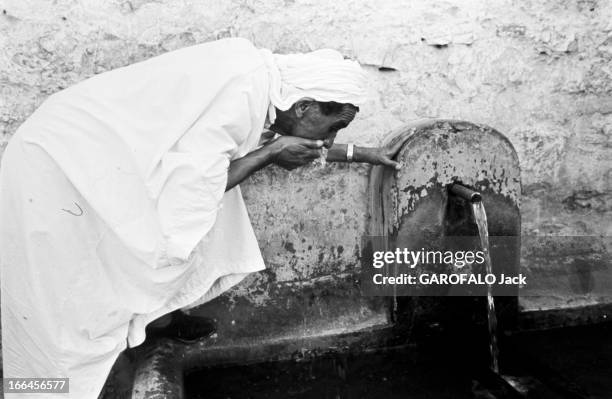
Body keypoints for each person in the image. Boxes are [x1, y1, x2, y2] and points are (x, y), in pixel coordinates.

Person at [0, 37, 403, 398]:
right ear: (303, 105)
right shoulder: (237, 99)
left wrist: (356, 153)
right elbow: (195, 194)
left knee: (108, 282)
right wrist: (264, 157)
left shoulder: (260, 79)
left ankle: (156, 323)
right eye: (332, 128)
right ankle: (38, 390)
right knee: (63, 316)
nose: (328, 139)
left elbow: (285, 141)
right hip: (56, 167)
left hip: (88, 154)